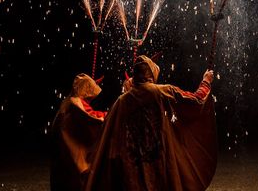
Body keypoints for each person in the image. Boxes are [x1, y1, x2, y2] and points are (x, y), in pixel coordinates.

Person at [85, 55, 217, 191]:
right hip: (159, 162)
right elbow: (196, 100)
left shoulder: (121, 101)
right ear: (151, 73)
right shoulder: (163, 92)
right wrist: (206, 81)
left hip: (130, 168)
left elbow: (109, 133)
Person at [51, 73, 108, 191]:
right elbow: (94, 118)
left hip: (64, 153)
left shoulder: (68, 101)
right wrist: (111, 115)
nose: (91, 99)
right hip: (72, 153)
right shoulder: (76, 102)